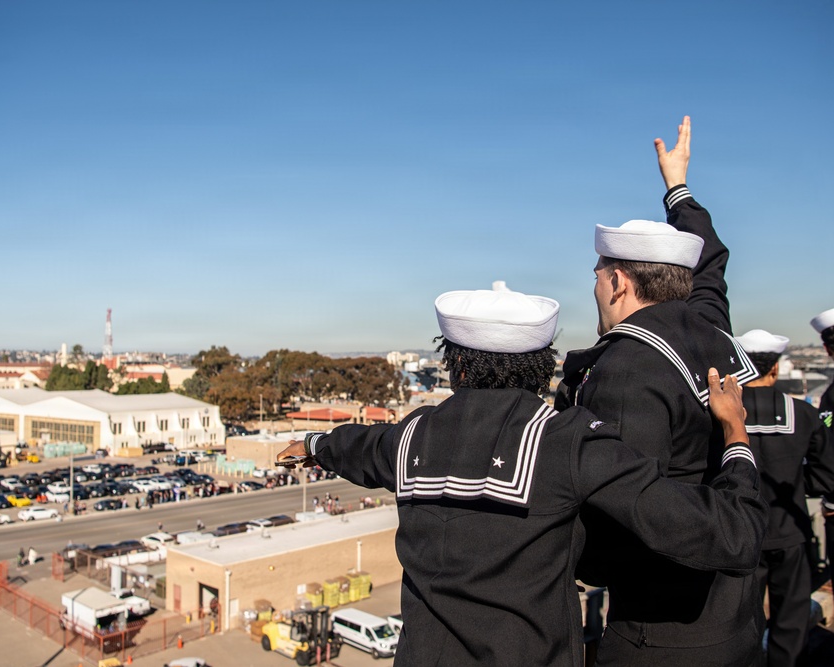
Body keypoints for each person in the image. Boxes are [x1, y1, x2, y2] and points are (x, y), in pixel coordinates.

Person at [277, 283, 766, 667]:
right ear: (541, 366)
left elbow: (360, 446)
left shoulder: (411, 437)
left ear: (455, 366)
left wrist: (315, 444)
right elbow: (732, 535)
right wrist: (736, 435)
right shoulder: (568, 441)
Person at [556, 116, 762, 665]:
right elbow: (711, 260)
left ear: (619, 282)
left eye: (598, 275)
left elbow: (628, 513)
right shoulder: (708, 324)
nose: (595, 286)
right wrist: (679, 188)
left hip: (664, 630)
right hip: (737, 613)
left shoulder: (624, 369)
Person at [735, 329, 834, 666]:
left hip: (739, 533)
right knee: (790, 620)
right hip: (789, 532)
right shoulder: (803, 415)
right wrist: (796, 483)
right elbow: (828, 473)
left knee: (740, 619)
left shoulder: (720, 414)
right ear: (775, 369)